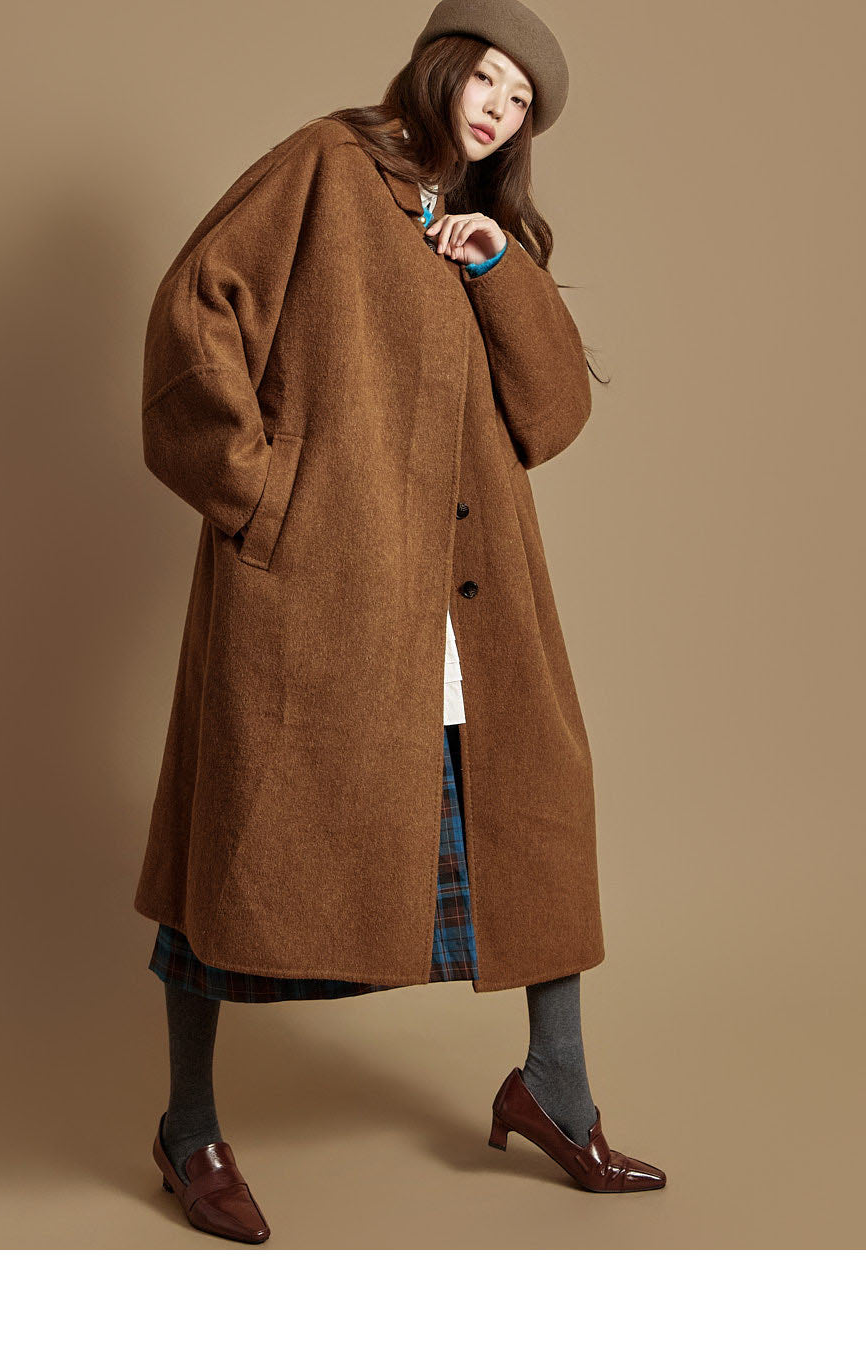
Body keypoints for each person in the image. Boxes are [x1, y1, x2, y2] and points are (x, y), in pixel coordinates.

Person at [134, 0, 666, 1244]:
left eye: (520, 104)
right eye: (488, 79)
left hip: (471, 590)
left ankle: (554, 1089)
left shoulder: (478, 229)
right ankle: (188, 1125)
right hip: (328, 583)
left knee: (531, 811)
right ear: (440, 67)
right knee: (236, 834)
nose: (497, 110)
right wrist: (263, 494)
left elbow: (551, 417)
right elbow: (195, 306)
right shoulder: (328, 165)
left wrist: (495, 266)